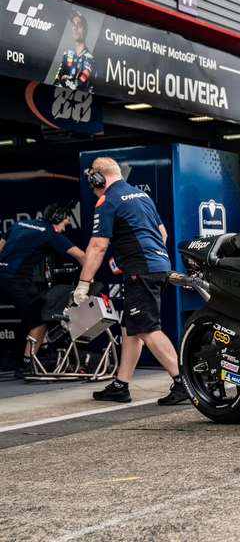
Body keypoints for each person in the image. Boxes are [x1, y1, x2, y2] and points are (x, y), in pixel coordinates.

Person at [76, 158, 187, 404]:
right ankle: (121, 384)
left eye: (92, 182)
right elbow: (162, 233)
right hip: (158, 266)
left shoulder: (108, 200)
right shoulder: (141, 196)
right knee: (130, 328)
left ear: (98, 178)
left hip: (140, 270)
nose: (92, 188)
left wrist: (84, 283)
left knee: (147, 328)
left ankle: (184, 382)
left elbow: (97, 246)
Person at [0, 203, 85, 377]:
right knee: (40, 321)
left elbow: (0, 247)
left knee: (32, 311)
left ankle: (38, 352)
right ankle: (26, 364)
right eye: (64, 224)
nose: (63, 229)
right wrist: (88, 280)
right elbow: (82, 256)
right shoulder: (50, 233)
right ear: (56, 220)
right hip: (16, 282)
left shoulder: (19, 224)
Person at [52, 10, 94, 92]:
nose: (76, 27)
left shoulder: (89, 58)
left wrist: (68, 81)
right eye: (74, 25)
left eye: (79, 24)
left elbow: (83, 79)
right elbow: (57, 78)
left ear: (85, 29)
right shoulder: (67, 54)